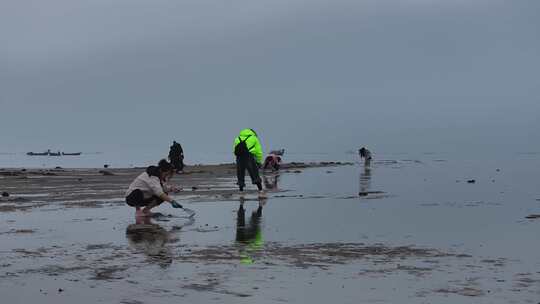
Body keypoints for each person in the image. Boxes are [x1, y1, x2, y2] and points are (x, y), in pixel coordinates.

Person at [233, 128, 265, 197]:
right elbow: (258, 151)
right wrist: (259, 162)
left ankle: (241, 192)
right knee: (254, 173)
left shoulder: (237, 138)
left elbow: (234, 150)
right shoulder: (254, 138)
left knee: (240, 173)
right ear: (253, 132)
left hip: (239, 157)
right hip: (249, 156)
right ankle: (261, 191)